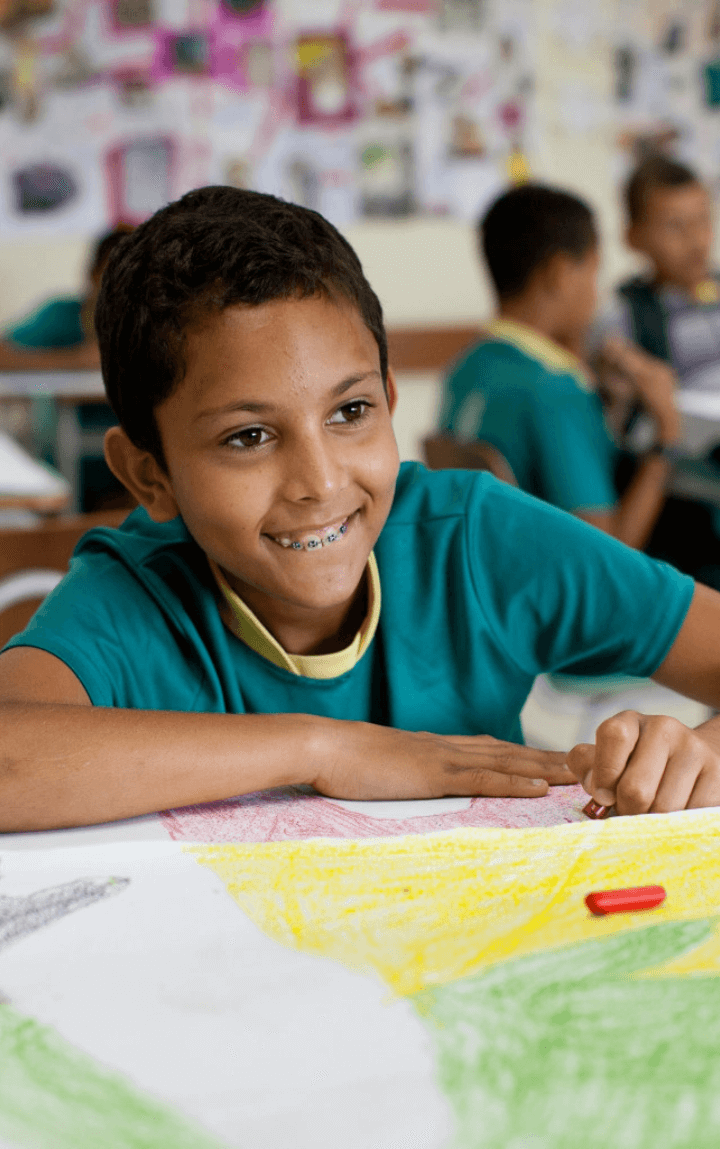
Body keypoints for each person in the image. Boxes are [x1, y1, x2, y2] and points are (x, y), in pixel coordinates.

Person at [3, 186, 720, 833]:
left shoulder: (472, 538)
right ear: (149, 473)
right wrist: (324, 748)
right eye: (248, 436)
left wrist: (695, 758)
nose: (319, 482)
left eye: (350, 411)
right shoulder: (139, 594)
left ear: (390, 402)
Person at [437, 183, 720, 588]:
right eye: (592, 269)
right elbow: (606, 557)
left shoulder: (466, 369)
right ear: (559, 273)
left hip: (502, 585)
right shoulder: (555, 390)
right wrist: (666, 437)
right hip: (565, 605)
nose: (595, 291)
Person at [0, 224, 134, 510]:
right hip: (63, 476)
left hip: (133, 486)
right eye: (111, 273)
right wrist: (78, 360)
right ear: (92, 274)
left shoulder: (158, 327)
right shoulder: (63, 315)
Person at [595, 155, 720, 391]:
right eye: (675, 226)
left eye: (703, 220)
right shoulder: (623, 322)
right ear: (633, 237)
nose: (696, 240)